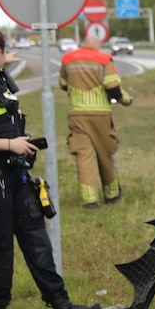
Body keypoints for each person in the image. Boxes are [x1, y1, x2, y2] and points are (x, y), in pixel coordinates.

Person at [0, 25, 100, 309]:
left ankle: (63, 307)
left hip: (16, 175)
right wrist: (10, 145)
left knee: (38, 242)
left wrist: (19, 141)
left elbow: (4, 119)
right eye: (3, 50)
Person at [58, 33, 133, 208]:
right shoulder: (104, 59)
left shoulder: (67, 59)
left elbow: (63, 84)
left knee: (83, 156)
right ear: (97, 45)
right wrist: (126, 100)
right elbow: (113, 88)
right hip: (100, 115)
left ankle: (89, 199)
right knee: (105, 153)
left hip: (77, 115)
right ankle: (112, 194)